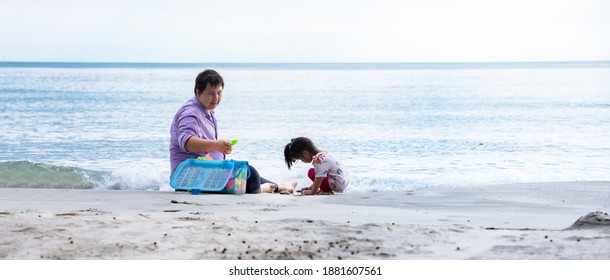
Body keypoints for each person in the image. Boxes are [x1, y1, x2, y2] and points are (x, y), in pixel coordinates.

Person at [169, 69, 294, 193]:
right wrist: (217, 145)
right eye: (211, 93)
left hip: (208, 172)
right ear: (198, 92)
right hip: (189, 178)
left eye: (219, 93)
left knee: (246, 172)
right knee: (251, 174)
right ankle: (264, 188)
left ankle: (280, 186)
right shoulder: (190, 114)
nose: (216, 98)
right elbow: (188, 143)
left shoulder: (206, 110)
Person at [283, 137, 349, 195]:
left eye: (301, 159)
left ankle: (326, 191)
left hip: (337, 184)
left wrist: (312, 191)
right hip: (342, 183)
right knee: (316, 173)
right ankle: (324, 190)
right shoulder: (324, 154)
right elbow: (322, 174)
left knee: (311, 172)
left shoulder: (318, 160)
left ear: (305, 153)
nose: (302, 161)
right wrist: (311, 187)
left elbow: (319, 177)